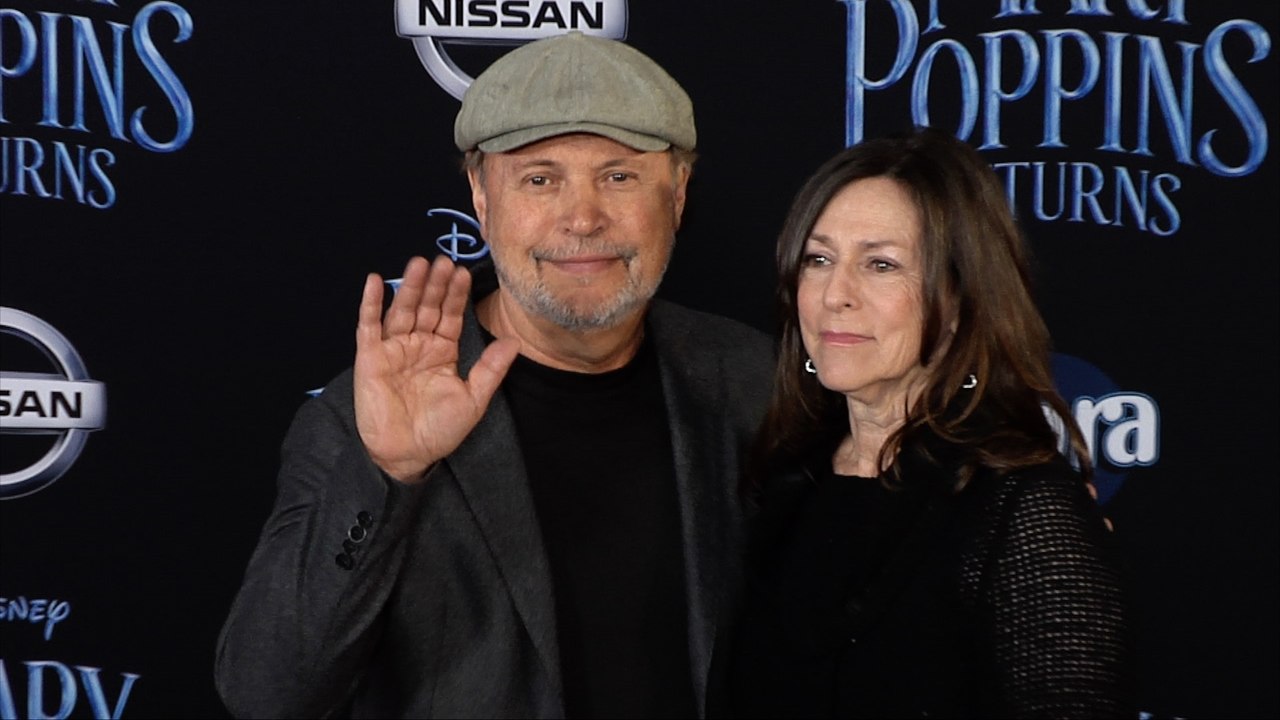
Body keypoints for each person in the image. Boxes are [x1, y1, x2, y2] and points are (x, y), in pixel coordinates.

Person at [214, 32, 772, 719]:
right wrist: (389, 474)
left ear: (678, 194)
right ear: (481, 197)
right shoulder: (362, 417)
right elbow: (268, 695)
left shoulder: (752, 378)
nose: (583, 218)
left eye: (619, 177)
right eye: (540, 179)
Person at [728, 127, 1136, 718]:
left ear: (962, 298)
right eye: (819, 259)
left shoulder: (1021, 506)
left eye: (881, 264)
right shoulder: (787, 480)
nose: (836, 294)